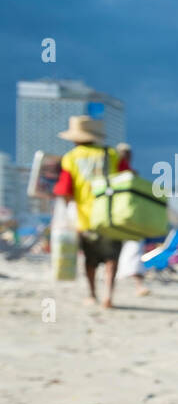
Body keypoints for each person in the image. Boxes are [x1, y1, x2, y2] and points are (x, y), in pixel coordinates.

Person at [51, 116, 129, 307]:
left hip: (86, 218)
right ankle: (108, 294)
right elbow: (127, 177)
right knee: (112, 258)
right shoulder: (110, 153)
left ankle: (92, 294)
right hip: (112, 216)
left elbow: (64, 190)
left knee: (90, 259)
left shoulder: (71, 157)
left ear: (75, 138)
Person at [111, 143, 150, 297]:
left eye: (127, 153)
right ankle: (113, 289)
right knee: (117, 251)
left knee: (134, 248)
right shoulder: (117, 174)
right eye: (123, 153)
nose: (125, 156)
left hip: (129, 218)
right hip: (115, 216)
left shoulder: (132, 174)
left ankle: (138, 284)